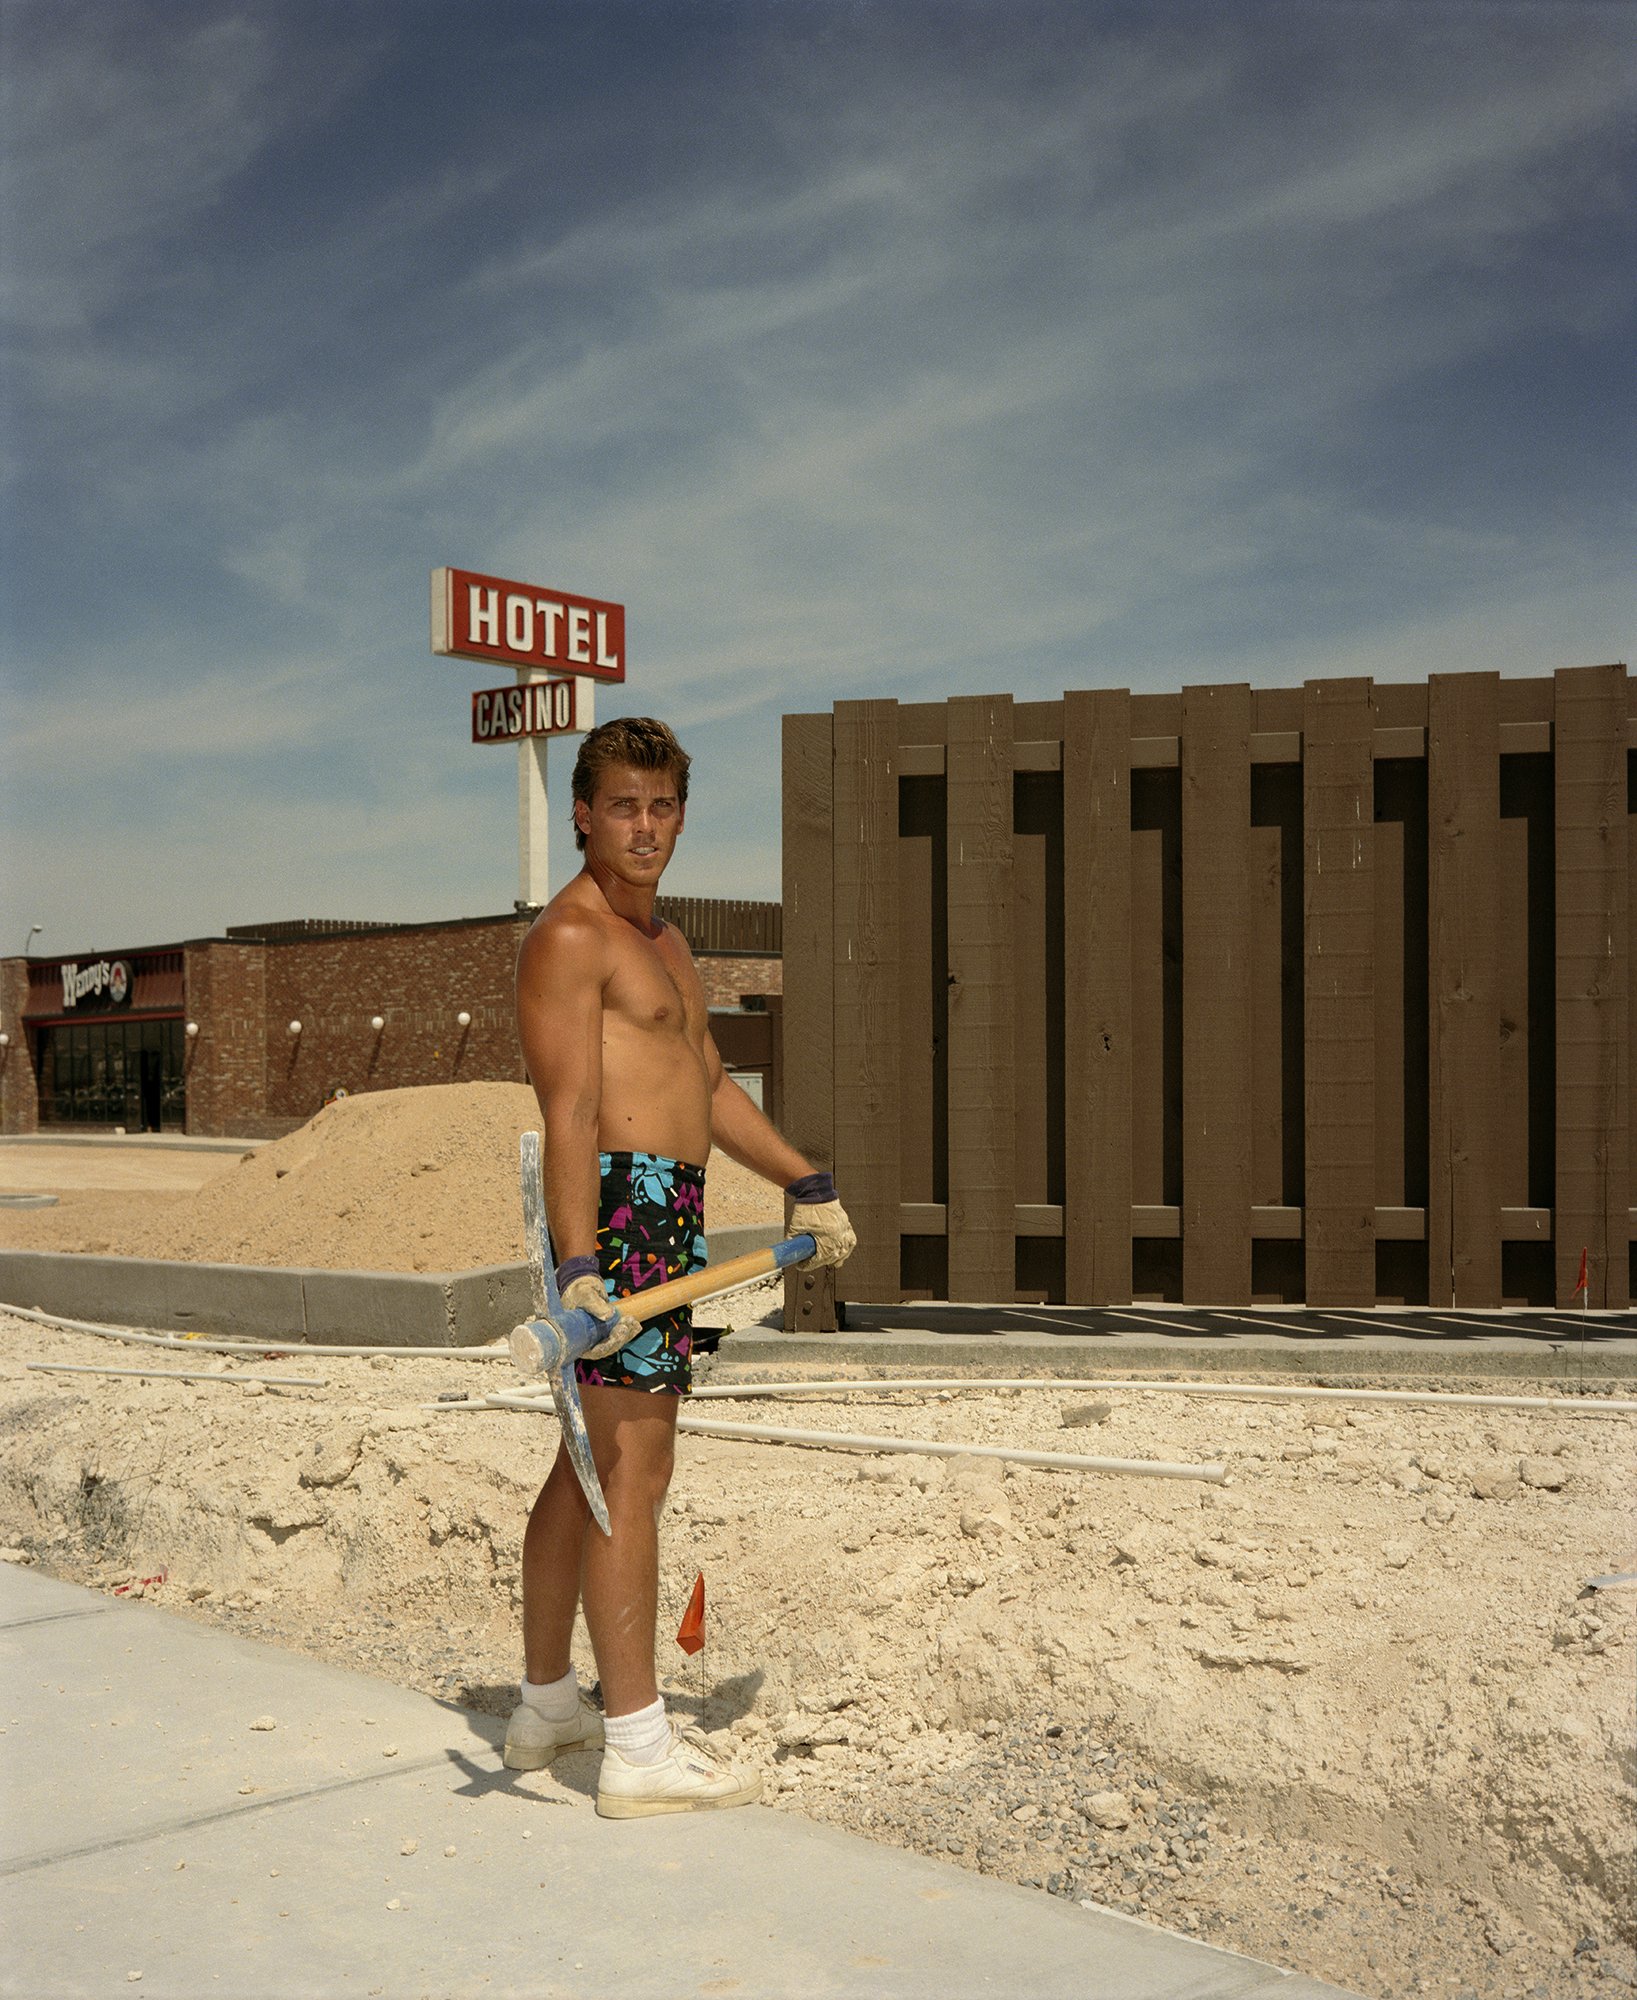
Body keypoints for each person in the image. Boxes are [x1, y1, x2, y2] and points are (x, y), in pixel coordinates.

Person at [504, 715, 855, 1817]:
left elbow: (701, 1083)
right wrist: (576, 1263)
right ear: (581, 812)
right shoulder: (572, 937)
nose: (644, 827)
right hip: (612, 1212)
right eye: (622, 805)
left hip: (665, 1208)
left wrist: (804, 1179)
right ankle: (637, 1748)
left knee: (588, 1466)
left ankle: (547, 1702)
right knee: (633, 1475)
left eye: (661, 806)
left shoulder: (664, 941)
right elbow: (564, 1109)